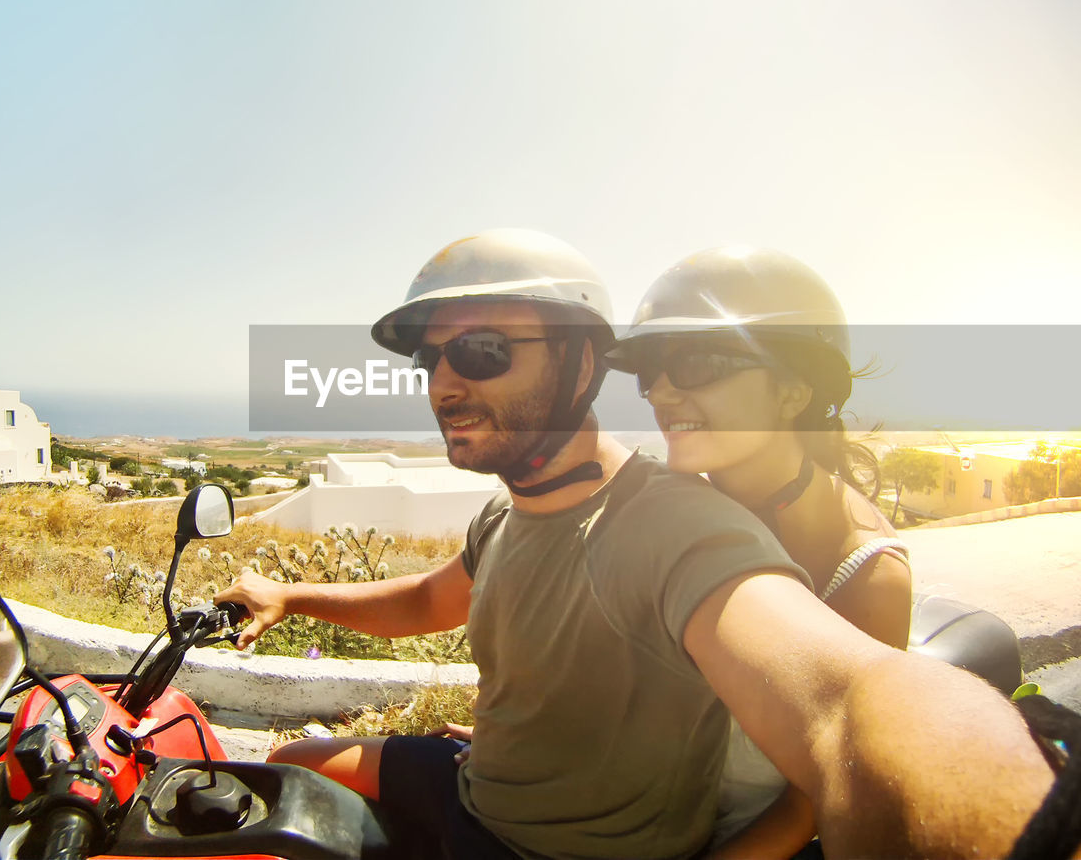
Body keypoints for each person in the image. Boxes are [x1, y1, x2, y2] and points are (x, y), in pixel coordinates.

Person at [217, 229, 1057, 860]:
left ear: (581, 365)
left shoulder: (680, 519)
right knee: (285, 766)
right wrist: (290, 595)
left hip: (565, 842)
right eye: (430, 358)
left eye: (479, 351)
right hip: (483, 787)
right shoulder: (515, 510)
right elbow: (436, 598)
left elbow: (851, 706)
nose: (442, 381)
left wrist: (1022, 815)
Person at [606, 246, 911, 858]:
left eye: (698, 363)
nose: (660, 393)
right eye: (650, 371)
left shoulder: (866, 575)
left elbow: (816, 799)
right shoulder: (676, 504)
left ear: (794, 392)